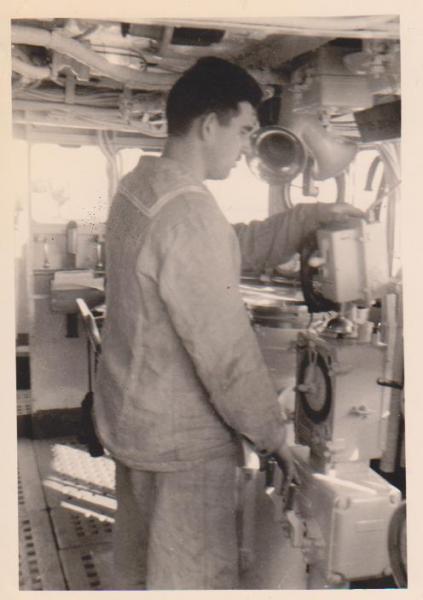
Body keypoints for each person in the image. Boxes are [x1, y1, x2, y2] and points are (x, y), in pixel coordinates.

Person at [93, 56, 363, 590]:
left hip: (135, 422)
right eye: (242, 131)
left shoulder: (141, 187)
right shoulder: (190, 214)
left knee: (140, 571)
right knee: (192, 581)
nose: (245, 149)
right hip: (182, 447)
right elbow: (226, 353)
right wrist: (274, 436)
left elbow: (225, 247)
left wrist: (305, 219)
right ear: (208, 125)